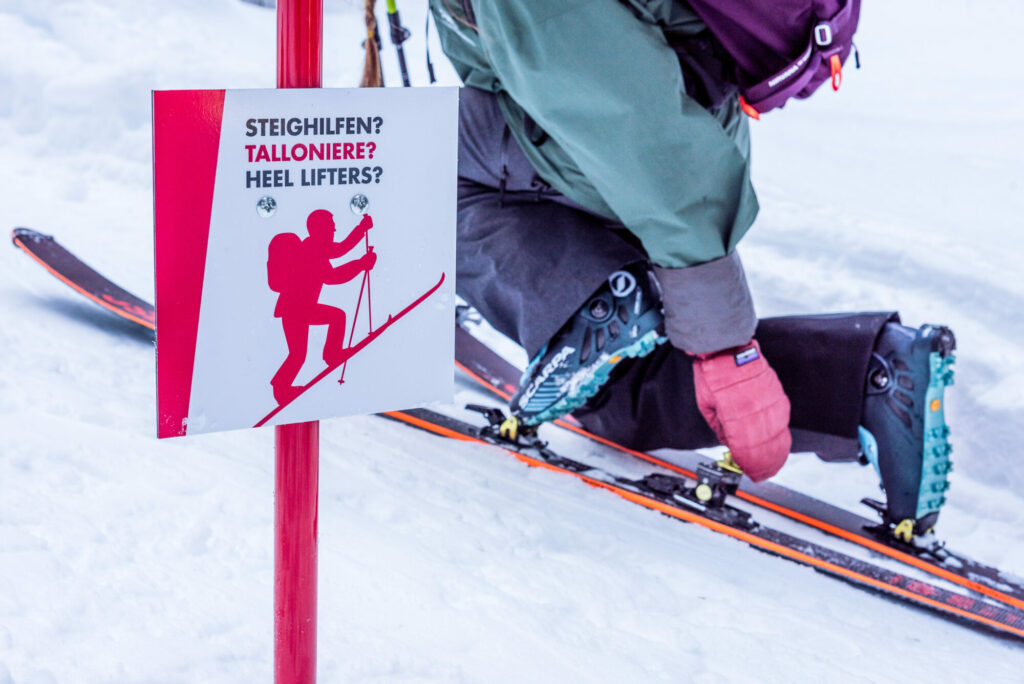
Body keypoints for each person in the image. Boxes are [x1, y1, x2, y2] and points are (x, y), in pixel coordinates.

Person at [429, 0, 956, 543]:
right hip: (653, 132)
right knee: (613, 395)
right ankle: (869, 378)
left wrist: (727, 351)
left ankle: (592, 308)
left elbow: (625, 113)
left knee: (413, 156)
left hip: (647, 146)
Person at [269, 209, 376, 404]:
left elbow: (341, 248)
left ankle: (283, 386)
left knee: (298, 353)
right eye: (330, 226)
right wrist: (360, 264)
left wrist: (361, 230)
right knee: (304, 349)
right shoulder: (311, 250)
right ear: (320, 229)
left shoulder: (315, 247)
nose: (334, 229)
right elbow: (332, 277)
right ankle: (330, 355)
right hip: (295, 308)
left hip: (297, 308)